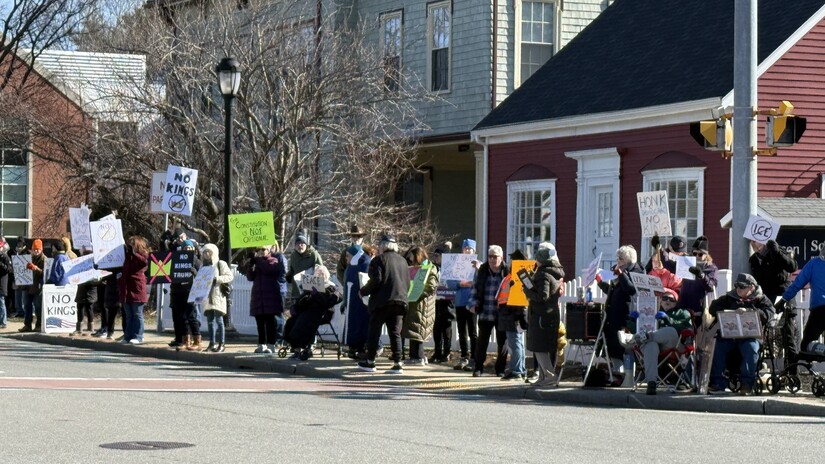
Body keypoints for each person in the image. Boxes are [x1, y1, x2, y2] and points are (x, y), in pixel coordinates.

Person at [708, 273, 774, 395]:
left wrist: (751, 311)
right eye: (736, 286)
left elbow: (769, 313)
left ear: (752, 287)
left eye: (742, 286)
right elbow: (713, 308)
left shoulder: (761, 299)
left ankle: (747, 384)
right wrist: (729, 311)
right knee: (719, 346)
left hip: (751, 336)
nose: (738, 289)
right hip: (730, 336)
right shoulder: (729, 297)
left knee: (751, 348)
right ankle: (718, 383)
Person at [621, 287, 693, 395]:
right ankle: (651, 383)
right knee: (651, 345)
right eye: (665, 298)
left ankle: (634, 340)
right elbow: (637, 329)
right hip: (654, 346)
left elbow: (686, 328)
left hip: (674, 345)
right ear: (660, 300)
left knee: (670, 330)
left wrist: (668, 320)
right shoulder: (650, 311)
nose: (667, 301)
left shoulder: (682, 312)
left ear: (676, 302)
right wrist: (632, 321)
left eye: (671, 299)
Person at [357, 234, 410, 373]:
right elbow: (407, 282)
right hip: (400, 301)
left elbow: (376, 280)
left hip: (382, 302)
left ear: (383, 246)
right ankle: (398, 363)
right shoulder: (403, 261)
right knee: (395, 333)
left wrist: (363, 291)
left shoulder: (378, 260)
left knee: (374, 332)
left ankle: (370, 362)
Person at [749, 239, 799, 372]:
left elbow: (792, 266)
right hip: (767, 301)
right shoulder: (754, 259)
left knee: (789, 336)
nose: (753, 244)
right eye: (751, 241)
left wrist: (776, 252)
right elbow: (758, 281)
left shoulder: (778, 251)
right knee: (760, 334)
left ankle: (792, 372)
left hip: (783, 299)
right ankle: (758, 367)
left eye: (755, 241)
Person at [596, 245, 644, 377]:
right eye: (617, 258)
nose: (618, 261)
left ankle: (627, 375)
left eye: (620, 258)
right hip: (613, 316)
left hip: (626, 316)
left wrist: (621, 275)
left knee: (624, 346)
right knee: (613, 346)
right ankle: (619, 374)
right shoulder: (620, 271)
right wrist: (600, 283)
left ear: (628, 259)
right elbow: (613, 292)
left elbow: (631, 290)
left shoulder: (637, 271)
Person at [522, 242, 565, 388]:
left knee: (540, 348)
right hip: (549, 315)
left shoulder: (543, 274)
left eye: (537, 259)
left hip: (542, 315)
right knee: (541, 347)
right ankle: (542, 376)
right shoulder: (554, 272)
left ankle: (549, 376)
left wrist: (527, 290)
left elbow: (543, 296)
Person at [777, 243, 825, 358]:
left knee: (805, 346)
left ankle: (819, 351)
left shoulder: (814, 264)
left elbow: (797, 284)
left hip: (820, 310)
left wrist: (783, 300)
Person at [468, 245, 509, 377]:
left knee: (502, 343)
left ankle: (500, 369)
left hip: (502, 313)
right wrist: (473, 304)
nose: (492, 259)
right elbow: (474, 288)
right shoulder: (482, 271)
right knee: (482, 342)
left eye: (495, 257)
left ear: (501, 258)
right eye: (490, 256)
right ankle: (478, 367)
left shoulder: (507, 271)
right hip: (485, 311)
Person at [286, 265, 342, 360]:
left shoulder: (331, 287)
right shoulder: (311, 286)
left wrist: (316, 294)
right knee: (292, 321)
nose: (319, 275)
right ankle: (296, 348)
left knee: (306, 321)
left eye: (321, 274)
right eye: (317, 274)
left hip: (322, 313)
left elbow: (327, 303)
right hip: (308, 311)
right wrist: (295, 308)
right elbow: (301, 301)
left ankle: (306, 347)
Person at [246, 244, 287, 354]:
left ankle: (271, 344)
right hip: (258, 296)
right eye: (258, 249)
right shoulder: (257, 262)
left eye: (263, 249)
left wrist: (257, 260)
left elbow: (268, 269)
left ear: (269, 250)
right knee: (260, 322)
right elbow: (250, 277)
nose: (260, 251)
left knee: (270, 322)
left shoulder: (273, 260)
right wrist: (250, 265)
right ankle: (261, 344)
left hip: (270, 296)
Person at [402, 246, 439, 366]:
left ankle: (418, 357)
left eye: (411, 258)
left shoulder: (429, 267)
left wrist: (418, 294)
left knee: (418, 330)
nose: (410, 261)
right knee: (414, 329)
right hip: (415, 302)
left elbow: (431, 286)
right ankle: (416, 356)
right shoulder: (417, 268)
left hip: (423, 304)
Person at [199, 243, 234, 352]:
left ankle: (221, 344)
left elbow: (229, 276)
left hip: (217, 295)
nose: (206, 254)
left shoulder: (220, 264)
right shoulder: (202, 266)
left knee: (219, 320)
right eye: (205, 252)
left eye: (209, 252)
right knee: (210, 321)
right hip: (207, 296)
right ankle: (212, 343)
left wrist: (217, 279)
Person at [169, 239, 201, 350]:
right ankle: (185, 340)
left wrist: (194, 272)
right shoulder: (176, 259)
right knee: (182, 318)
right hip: (178, 292)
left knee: (191, 316)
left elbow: (202, 276)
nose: (187, 250)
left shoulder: (196, 261)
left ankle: (197, 341)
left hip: (190, 292)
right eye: (185, 248)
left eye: (190, 248)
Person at [342, 241, 372, 359]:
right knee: (353, 324)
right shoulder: (351, 265)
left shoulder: (364, 263)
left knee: (361, 324)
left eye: (348, 256)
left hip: (361, 299)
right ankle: (353, 347)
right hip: (352, 299)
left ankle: (360, 348)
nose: (346, 258)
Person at [118, 235, 149, 344]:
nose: (129, 247)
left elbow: (145, 262)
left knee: (137, 314)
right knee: (129, 316)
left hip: (137, 289)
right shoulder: (127, 257)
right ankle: (128, 336)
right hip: (126, 290)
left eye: (131, 245)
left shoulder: (142, 255)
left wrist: (134, 254)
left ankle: (138, 336)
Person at [453, 239, 478, 371]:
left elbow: (480, 281)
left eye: (470, 249)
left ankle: (474, 357)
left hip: (472, 302)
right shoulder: (457, 265)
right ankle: (464, 356)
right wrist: (460, 284)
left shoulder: (478, 265)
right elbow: (451, 282)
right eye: (465, 248)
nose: (467, 251)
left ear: (474, 251)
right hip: (460, 302)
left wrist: (471, 283)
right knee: (461, 331)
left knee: (473, 331)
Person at [678, 236, 718, 317]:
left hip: (699, 308)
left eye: (700, 254)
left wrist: (702, 276)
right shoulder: (687, 263)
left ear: (706, 255)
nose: (697, 256)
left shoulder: (710, 267)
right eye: (694, 253)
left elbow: (711, 286)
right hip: (683, 305)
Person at [429, 243, 455, 363]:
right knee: (436, 328)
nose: (435, 258)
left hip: (447, 300)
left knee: (446, 328)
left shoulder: (450, 269)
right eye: (434, 256)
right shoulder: (433, 268)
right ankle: (437, 352)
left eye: (437, 256)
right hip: (436, 300)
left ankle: (447, 352)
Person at [19, 239, 45, 332]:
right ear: (32, 249)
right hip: (28, 286)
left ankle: (39, 325)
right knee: (27, 306)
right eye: (35, 249)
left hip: (37, 287)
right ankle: (27, 325)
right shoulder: (28, 258)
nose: (36, 251)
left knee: (38, 307)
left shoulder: (44, 259)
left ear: (41, 249)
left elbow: (46, 274)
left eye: (38, 249)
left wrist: (36, 269)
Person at [73, 248, 98, 335]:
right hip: (81, 289)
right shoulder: (80, 265)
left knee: (89, 308)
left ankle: (90, 327)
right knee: (80, 307)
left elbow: (96, 279)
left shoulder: (95, 265)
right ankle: (79, 328)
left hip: (90, 290)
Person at [10, 238, 28, 318]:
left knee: (24, 295)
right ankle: (19, 310)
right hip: (15, 276)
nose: (19, 244)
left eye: (21, 243)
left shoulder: (27, 252)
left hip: (24, 277)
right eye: (18, 243)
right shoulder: (13, 252)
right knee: (17, 294)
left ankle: (24, 311)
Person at [0, 238, 10, 329]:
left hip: (2, 284)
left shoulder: (5, 257)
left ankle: (3, 322)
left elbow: (9, 269)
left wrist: (1, 264)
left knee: (1, 302)